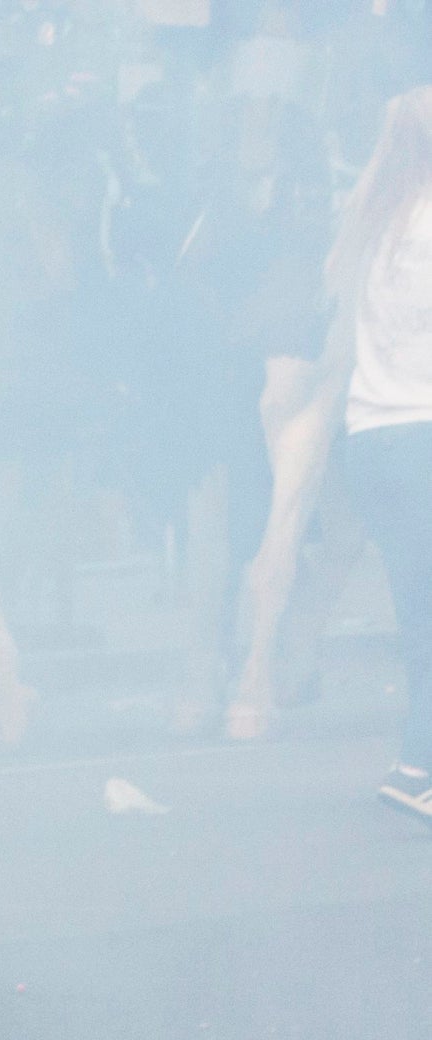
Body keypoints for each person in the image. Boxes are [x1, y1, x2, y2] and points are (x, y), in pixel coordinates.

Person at [330, 88, 432, 825]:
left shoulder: (369, 222)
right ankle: (419, 764)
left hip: (372, 435)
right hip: (423, 431)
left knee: (420, 610)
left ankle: (418, 763)